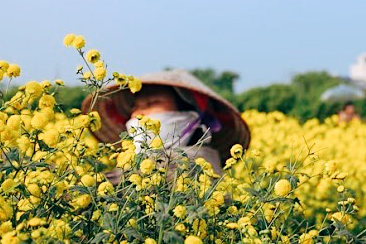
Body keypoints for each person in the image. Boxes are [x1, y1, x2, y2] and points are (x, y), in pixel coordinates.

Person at [85, 68, 250, 177]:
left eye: (152, 103)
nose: (139, 113)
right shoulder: (138, 166)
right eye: (135, 107)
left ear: (189, 116)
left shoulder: (195, 164)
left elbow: (121, 184)